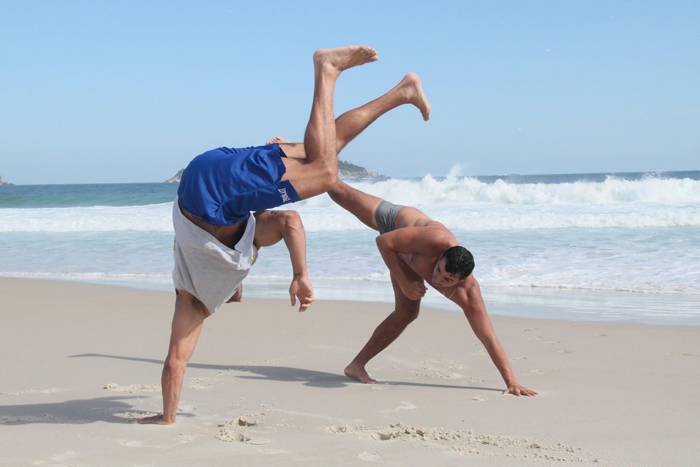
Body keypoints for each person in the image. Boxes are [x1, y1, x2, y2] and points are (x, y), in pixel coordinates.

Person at [139, 45, 433, 425]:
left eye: (234, 295)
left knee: (326, 173)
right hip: (207, 168)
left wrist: (300, 275)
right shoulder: (229, 252)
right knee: (322, 147)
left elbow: (176, 362)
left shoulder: (193, 302)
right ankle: (402, 93)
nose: (237, 295)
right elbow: (285, 222)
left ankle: (326, 70)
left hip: (212, 195)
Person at [326, 180, 539, 396]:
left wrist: (512, 382)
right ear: (440, 256)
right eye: (438, 270)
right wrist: (404, 282)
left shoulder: (468, 293)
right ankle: (311, 166)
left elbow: (487, 336)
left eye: (448, 280)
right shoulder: (435, 240)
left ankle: (356, 366)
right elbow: (383, 242)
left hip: (404, 257)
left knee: (407, 313)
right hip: (395, 223)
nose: (438, 280)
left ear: (460, 281)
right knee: (336, 190)